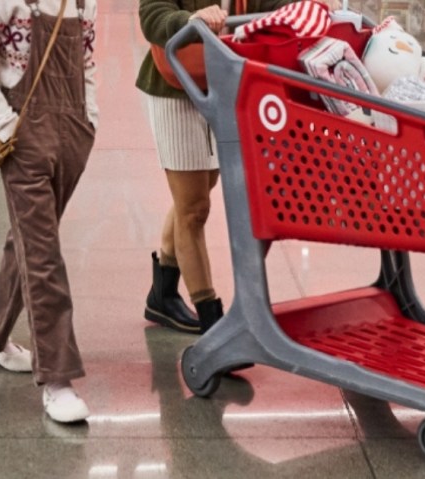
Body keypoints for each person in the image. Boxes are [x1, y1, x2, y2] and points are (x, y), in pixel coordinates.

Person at [136, 0, 339, 334]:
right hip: (175, 85)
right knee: (193, 208)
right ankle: (212, 320)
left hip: (224, 83)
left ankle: (163, 291)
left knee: (199, 191)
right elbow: (152, 15)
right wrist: (190, 21)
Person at [0, 0, 98, 423]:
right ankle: (58, 379)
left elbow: (87, 60)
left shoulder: (83, 2)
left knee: (30, 238)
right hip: (24, 138)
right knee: (43, 255)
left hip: (72, 133)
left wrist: (89, 119)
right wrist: (5, 125)